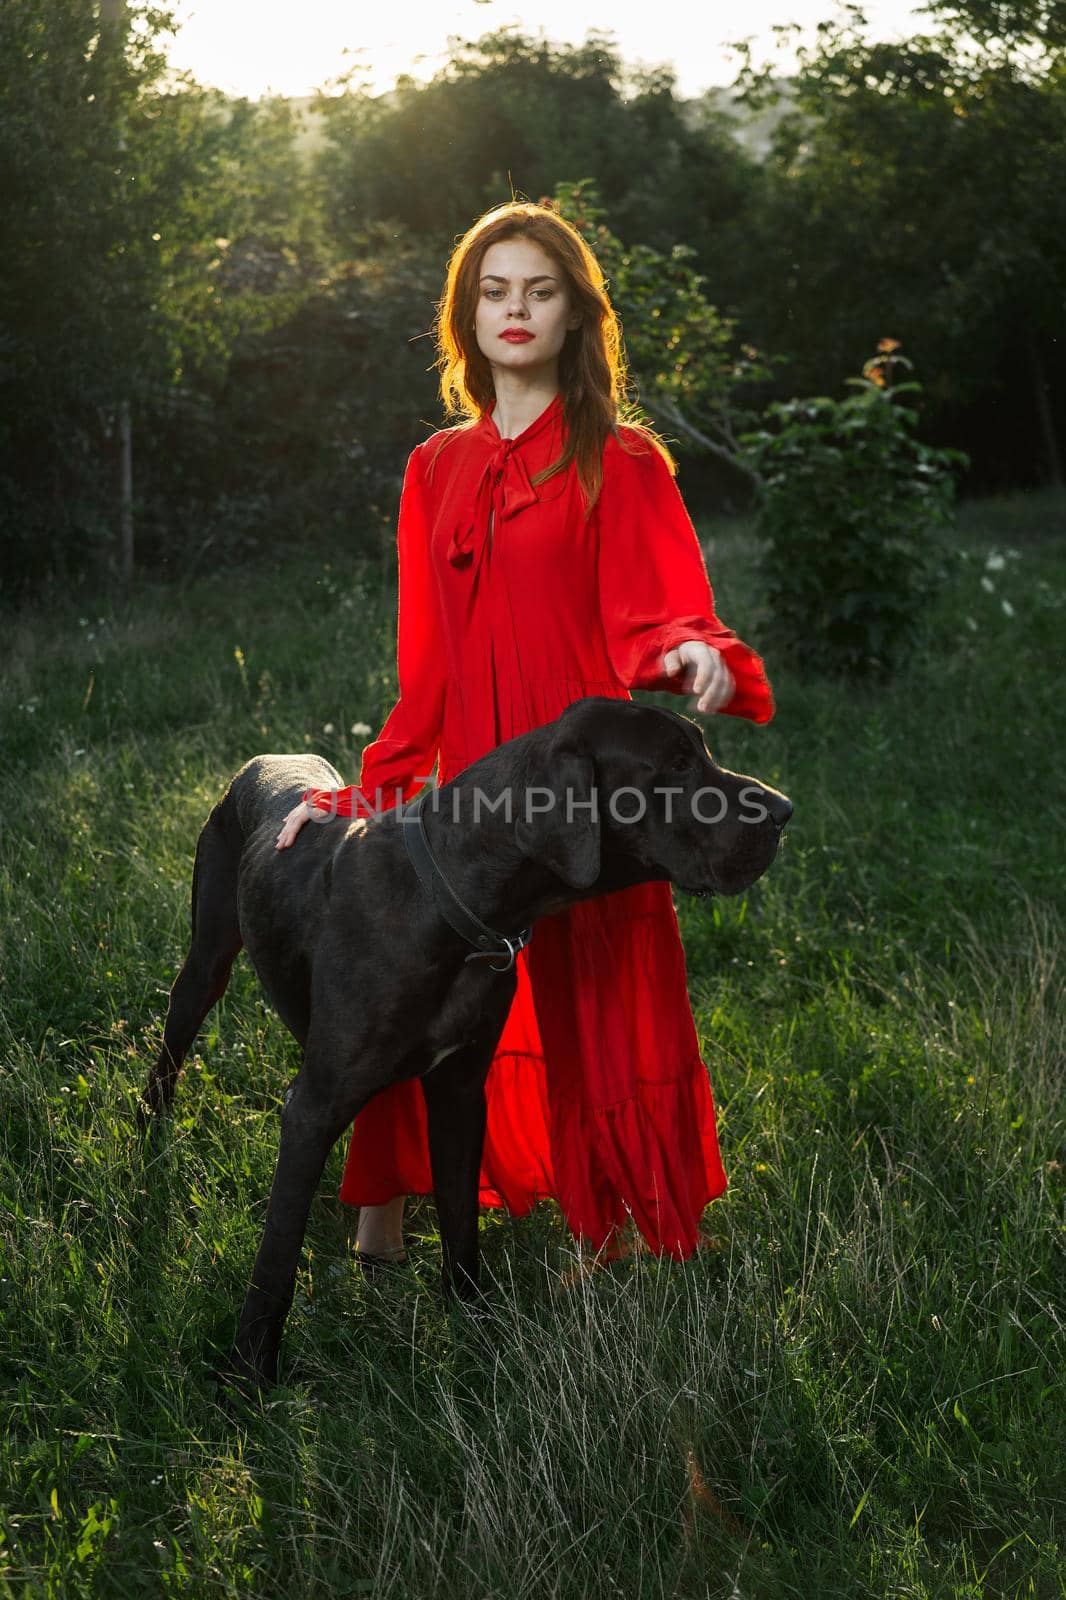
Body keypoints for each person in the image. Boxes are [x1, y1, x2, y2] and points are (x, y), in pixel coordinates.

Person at [275, 200, 774, 1268]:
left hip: (584, 769)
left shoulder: (619, 456)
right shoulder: (433, 468)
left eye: (538, 291)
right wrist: (382, 786)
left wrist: (691, 649)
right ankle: (385, 1207)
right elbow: (428, 655)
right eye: (494, 291)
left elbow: (657, 601)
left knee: (600, 967)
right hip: (476, 771)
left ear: (572, 315)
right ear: (466, 315)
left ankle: (623, 1216)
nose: (515, 309)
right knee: (413, 966)